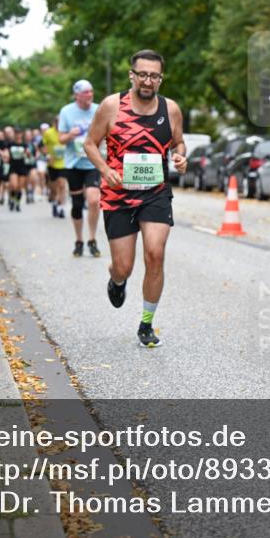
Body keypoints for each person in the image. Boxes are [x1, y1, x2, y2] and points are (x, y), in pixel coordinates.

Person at [84, 50, 186, 348]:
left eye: (154, 75)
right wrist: (104, 170)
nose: (147, 80)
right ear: (132, 75)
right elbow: (90, 143)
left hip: (155, 193)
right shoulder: (111, 106)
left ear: (160, 79)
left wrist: (180, 156)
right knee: (123, 266)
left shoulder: (171, 109)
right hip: (118, 195)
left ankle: (146, 324)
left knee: (155, 254)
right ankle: (117, 281)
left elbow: (178, 141)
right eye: (142, 74)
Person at [59, 80, 102, 256]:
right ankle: (79, 240)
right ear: (77, 95)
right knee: (77, 204)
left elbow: (109, 131)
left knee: (94, 200)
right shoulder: (66, 111)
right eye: (85, 93)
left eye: (91, 91)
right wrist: (71, 135)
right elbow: (61, 139)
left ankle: (92, 238)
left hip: (93, 162)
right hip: (74, 163)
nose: (89, 95)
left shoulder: (99, 109)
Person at [43, 120, 66, 218]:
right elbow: (44, 146)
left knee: (62, 185)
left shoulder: (65, 131)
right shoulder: (48, 132)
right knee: (54, 188)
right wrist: (47, 155)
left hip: (64, 162)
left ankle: (61, 207)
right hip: (52, 163)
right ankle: (54, 203)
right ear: (54, 123)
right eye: (57, 123)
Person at [7, 128, 29, 212]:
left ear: (21, 135)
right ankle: (12, 199)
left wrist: (28, 154)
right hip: (13, 166)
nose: (17, 135)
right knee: (14, 185)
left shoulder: (24, 144)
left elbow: (28, 155)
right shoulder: (10, 144)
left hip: (22, 166)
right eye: (16, 133)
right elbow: (7, 153)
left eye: (19, 133)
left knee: (19, 187)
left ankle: (17, 203)